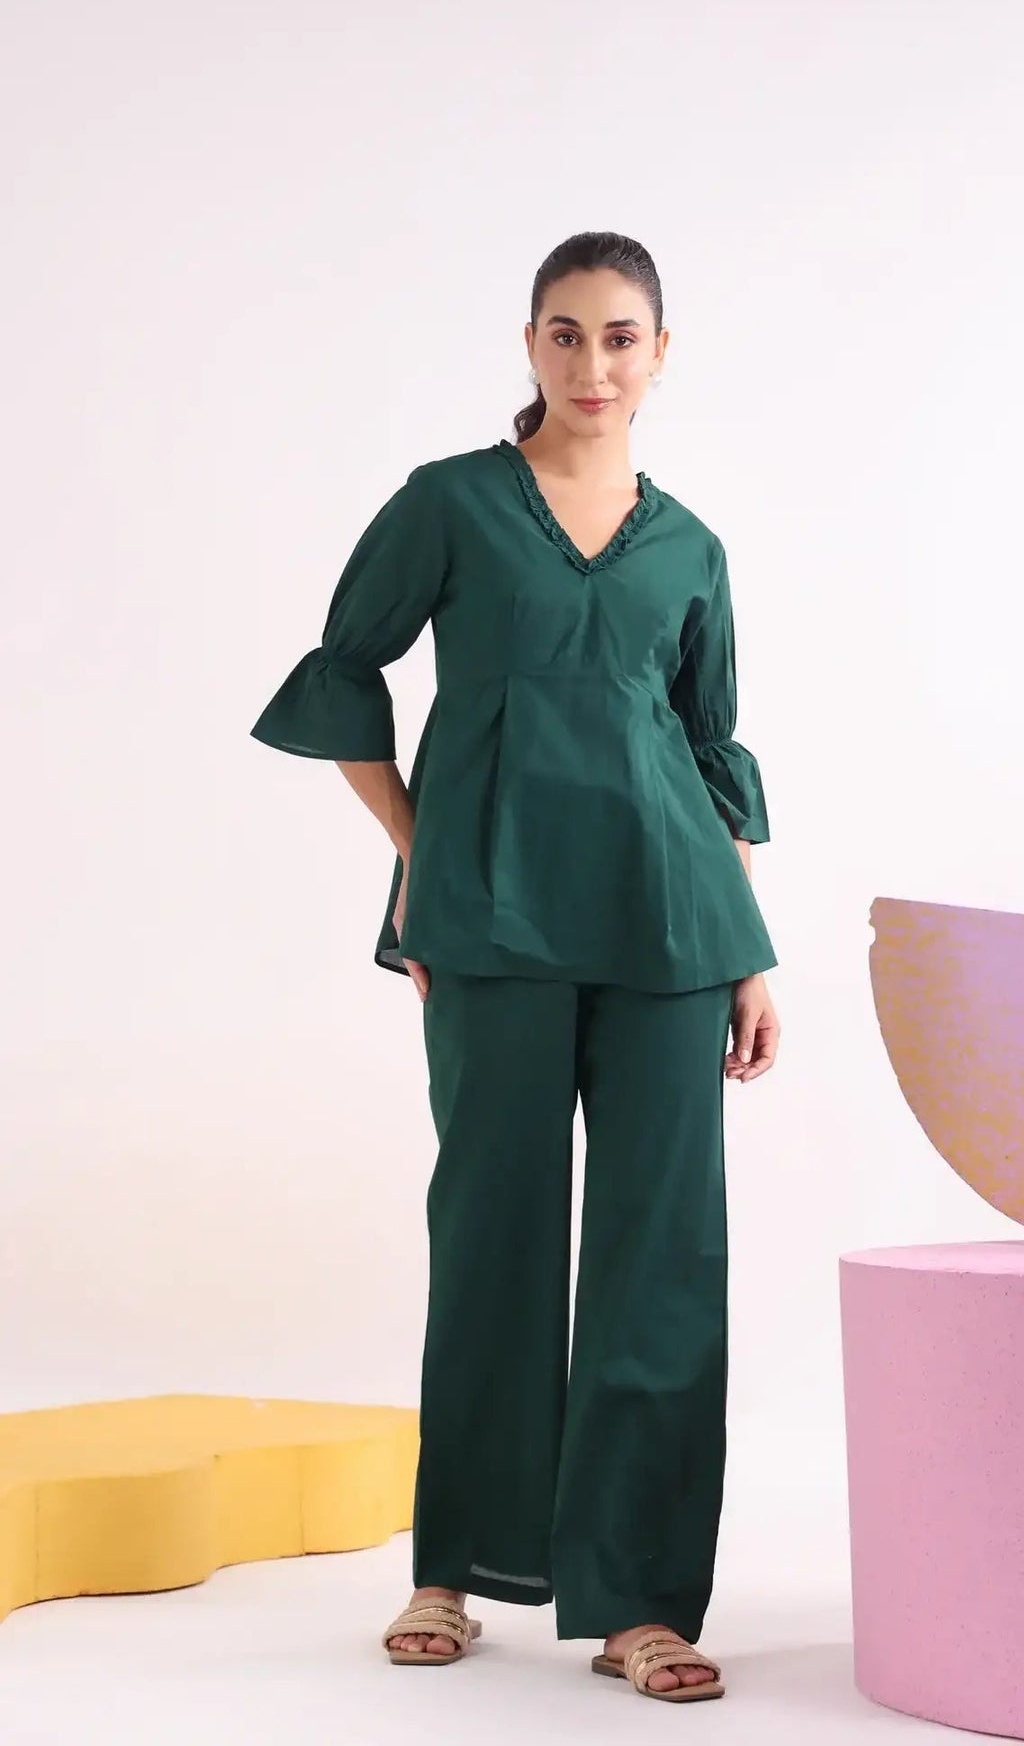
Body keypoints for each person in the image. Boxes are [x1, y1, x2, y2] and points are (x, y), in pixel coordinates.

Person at [249, 231, 781, 1704]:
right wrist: (421, 852)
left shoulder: (691, 548)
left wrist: (746, 954)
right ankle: (457, 1566)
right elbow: (343, 670)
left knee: (664, 1256)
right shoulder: (451, 504)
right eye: (566, 334)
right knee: (492, 1231)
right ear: (530, 343)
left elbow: (711, 751)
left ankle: (641, 1604)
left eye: (620, 337)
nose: (592, 364)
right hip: (490, 916)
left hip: (675, 929)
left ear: (659, 355)